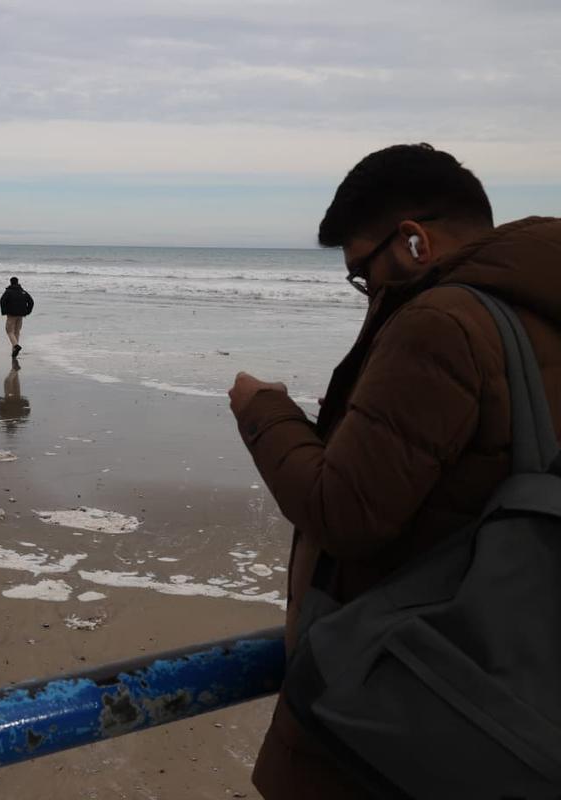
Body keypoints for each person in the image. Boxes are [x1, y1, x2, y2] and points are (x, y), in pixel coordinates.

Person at [227, 143, 561, 797]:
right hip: (513, 682)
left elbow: (344, 511)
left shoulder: (440, 323)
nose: (367, 293)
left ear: (413, 241)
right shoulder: (539, 318)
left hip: (401, 696)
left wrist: (264, 411)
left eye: (363, 273)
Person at [0, 276, 33, 357]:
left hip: (11, 314)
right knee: (17, 332)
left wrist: (4, 311)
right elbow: (31, 302)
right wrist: (27, 311)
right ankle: (14, 351)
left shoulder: (8, 291)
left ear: (10, 282)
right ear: (17, 282)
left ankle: (16, 346)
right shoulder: (23, 292)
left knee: (9, 331)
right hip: (21, 315)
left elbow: (2, 301)